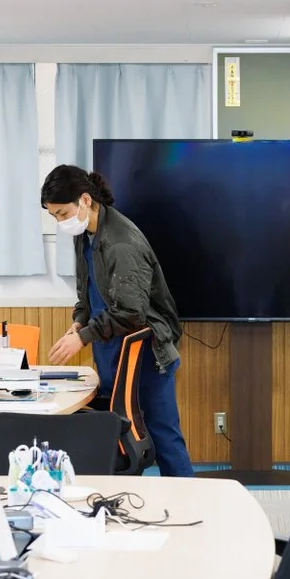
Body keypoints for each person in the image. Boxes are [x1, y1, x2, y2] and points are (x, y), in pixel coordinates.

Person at [41, 165, 194, 477]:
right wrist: (79, 321)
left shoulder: (122, 243)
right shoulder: (84, 233)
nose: (60, 222)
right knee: (122, 438)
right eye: (54, 216)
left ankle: (189, 501)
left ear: (85, 200)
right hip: (113, 348)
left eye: (62, 213)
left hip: (147, 353)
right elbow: (86, 291)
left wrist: (82, 337)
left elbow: (130, 312)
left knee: (164, 437)